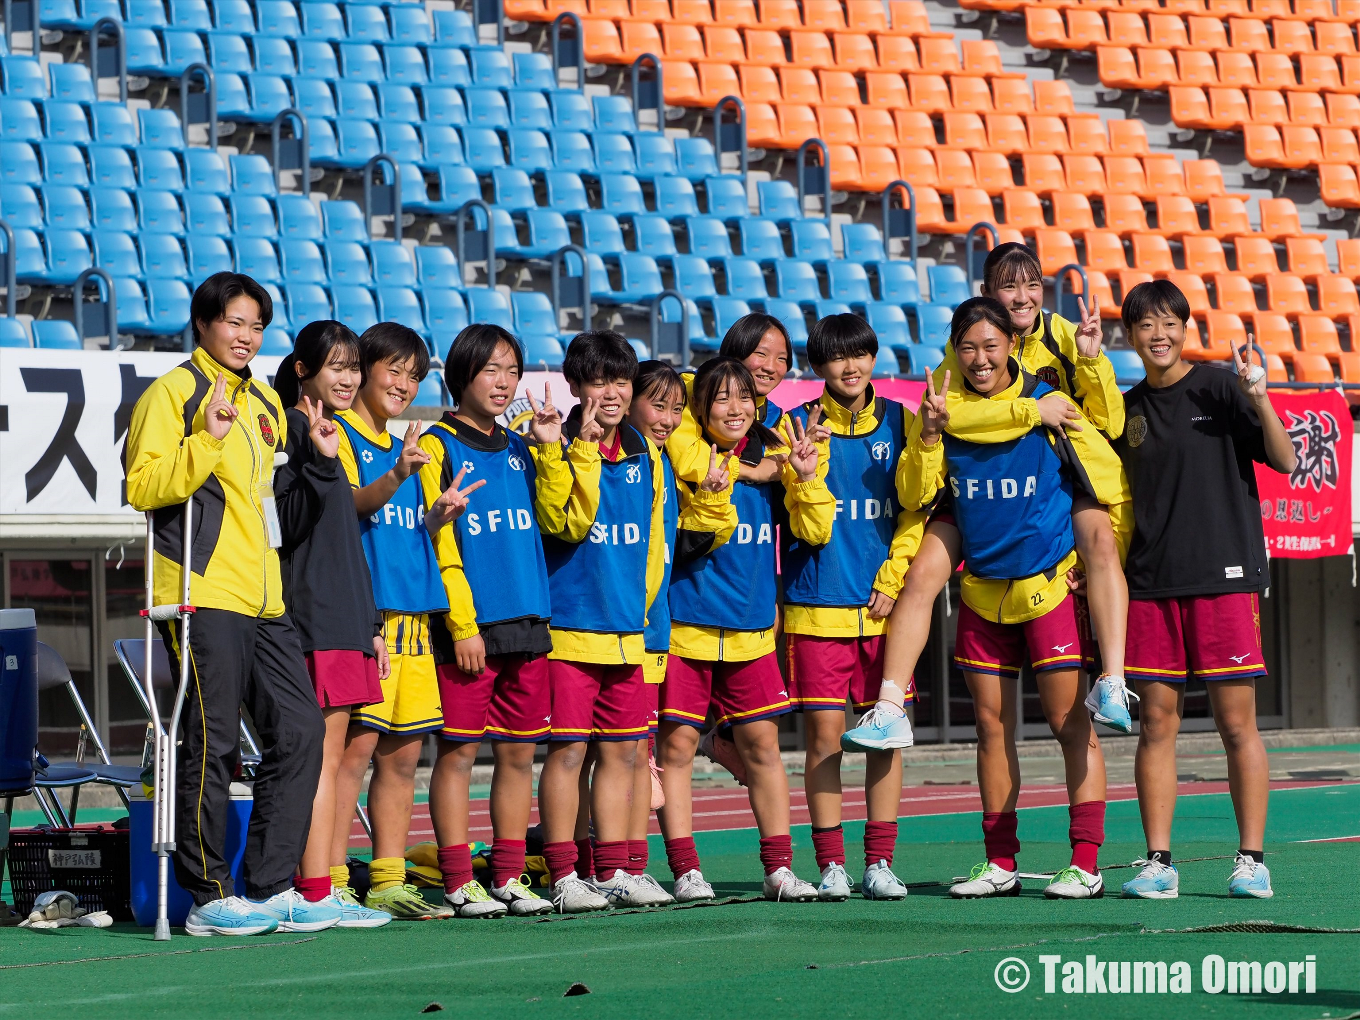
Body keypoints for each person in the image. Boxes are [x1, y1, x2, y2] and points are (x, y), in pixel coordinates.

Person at [846, 243, 1135, 751]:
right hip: (976, 489)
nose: (1022, 297)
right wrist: (1029, 412)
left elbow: (1108, 424)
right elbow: (947, 417)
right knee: (922, 576)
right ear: (988, 294)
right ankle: (890, 707)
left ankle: (1112, 680)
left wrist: (1089, 366)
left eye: (1032, 285)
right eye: (1009, 285)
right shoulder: (964, 351)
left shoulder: (1071, 336)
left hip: (1057, 480)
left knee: (1103, 545)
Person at [898, 298, 1131, 900]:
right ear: (955, 348)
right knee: (989, 727)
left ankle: (1086, 861)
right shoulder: (942, 408)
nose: (980, 358)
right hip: (981, 594)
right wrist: (929, 432)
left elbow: (1105, 466)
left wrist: (1100, 544)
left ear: (1010, 345)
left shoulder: (1052, 402)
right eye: (968, 347)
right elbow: (920, 492)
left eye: (991, 345)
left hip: (1045, 589)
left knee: (1067, 722)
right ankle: (1000, 862)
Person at [124, 272, 331, 936]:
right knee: (209, 743)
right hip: (200, 591)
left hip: (264, 598)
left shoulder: (267, 404)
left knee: (300, 730)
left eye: (256, 326)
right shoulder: (174, 393)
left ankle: (269, 888)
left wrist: (321, 463)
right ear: (204, 323)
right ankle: (210, 895)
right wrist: (207, 436)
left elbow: (275, 510)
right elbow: (143, 484)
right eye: (235, 323)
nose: (246, 337)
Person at [1114, 281, 1296, 900]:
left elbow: (1285, 460)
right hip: (1151, 584)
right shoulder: (1127, 407)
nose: (1157, 334)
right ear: (1131, 336)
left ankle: (1251, 860)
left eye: (1168, 322)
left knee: (1235, 722)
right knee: (1156, 724)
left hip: (1224, 578)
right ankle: (1158, 862)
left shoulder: (1222, 386)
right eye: (1144, 325)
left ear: (1184, 328)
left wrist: (1262, 399)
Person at [658, 357, 835, 903]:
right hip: (687, 625)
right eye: (720, 399)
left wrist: (804, 478)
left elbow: (815, 529)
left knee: (762, 748)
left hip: (754, 628)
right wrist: (724, 480)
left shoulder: (773, 458)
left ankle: (779, 868)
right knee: (679, 747)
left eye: (744, 398)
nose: (734, 408)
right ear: (700, 408)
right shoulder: (680, 460)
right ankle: (686, 869)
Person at [417, 323, 568, 918]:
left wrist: (552, 447)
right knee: (456, 755)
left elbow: (558, 521)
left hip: (528, 621)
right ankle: (458, 879)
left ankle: (506, 875)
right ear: (461, 374)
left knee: (517, 756)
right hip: (472, 631)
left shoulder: (521, 448)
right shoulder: (436, 446)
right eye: (490, 370)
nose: (503, 383)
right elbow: (439, 544)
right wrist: (462, 625)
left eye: (512, 371)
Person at [778, 315, 925, 901]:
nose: (850, 366)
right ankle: (832, 863)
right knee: (825, 740)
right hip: (816, 608)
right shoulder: (794, 426)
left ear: (872, 357)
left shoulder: (903, 420)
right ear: (817, 367)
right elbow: (808, 527)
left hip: (885, 611)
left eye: (860, 354)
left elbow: (915, 510)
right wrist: (805, 471)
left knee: (886, 738)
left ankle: (880, 862)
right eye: (836, 358)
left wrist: (894, 579)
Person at [536, 331, 670, 912]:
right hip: (568, 631)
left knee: (622, 754)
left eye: (620, 381)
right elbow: (564, 523)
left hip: (627, 632)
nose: (611, 393)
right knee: (567, 754)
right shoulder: (549, 443)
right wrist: (580, 452)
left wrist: (642, 615)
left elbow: (655, 545)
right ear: (575, 386)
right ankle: (564, 874)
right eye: (598, 381)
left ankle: (614, 869)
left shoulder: (647, 452)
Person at [274, 320, 394, 929]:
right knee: (317, 760)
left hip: (345, 618)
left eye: (354, 367)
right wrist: (321, 461)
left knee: (337, 755)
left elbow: (345, 542)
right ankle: (313, 891)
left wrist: (369, 622)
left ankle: (321, 887)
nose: (347, 378)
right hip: (313, 618)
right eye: (335, 367)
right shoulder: (293, 430)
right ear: (303, 370)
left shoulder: (329, 435)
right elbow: (291, 526)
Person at [330, 323, 453, 920]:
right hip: (368, 620)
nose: (403, 385)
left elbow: (398, 532)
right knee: (353, 754)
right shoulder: (342, 436)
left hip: (415, 620)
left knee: (403, 756)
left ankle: (387, 877)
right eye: (393, 371)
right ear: (360, 372)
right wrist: (401, 475)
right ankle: (327, 876)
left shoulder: (404, 445)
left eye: (414, 376)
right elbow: (349, 510)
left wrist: (435, 517)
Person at [623, 361, 735, 899]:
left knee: (637, 765)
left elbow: (679, 548)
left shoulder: (665, 466)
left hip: (654, 631)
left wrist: (713, 496)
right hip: (615, 629)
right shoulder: (620, 458)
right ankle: (605, 866)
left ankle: (628, 866)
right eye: (657, 405)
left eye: (675, 409)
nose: (666, 419)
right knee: (618, 759)